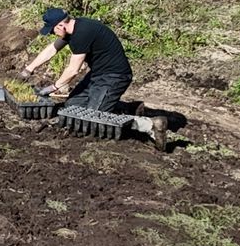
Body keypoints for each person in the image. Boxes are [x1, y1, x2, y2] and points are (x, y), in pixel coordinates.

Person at [21, 8, 170, 149]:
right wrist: (29, 69)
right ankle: (128, 108)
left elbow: (73, 70)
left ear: (61, 25)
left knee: (93, 117)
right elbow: (52, 49)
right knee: (72, 107)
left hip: (115, 76)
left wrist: (54, 87)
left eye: (52, 30)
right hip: (97, 75)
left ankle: (151, 124)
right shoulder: (72, 30)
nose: (53, 34)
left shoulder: (82, 32)